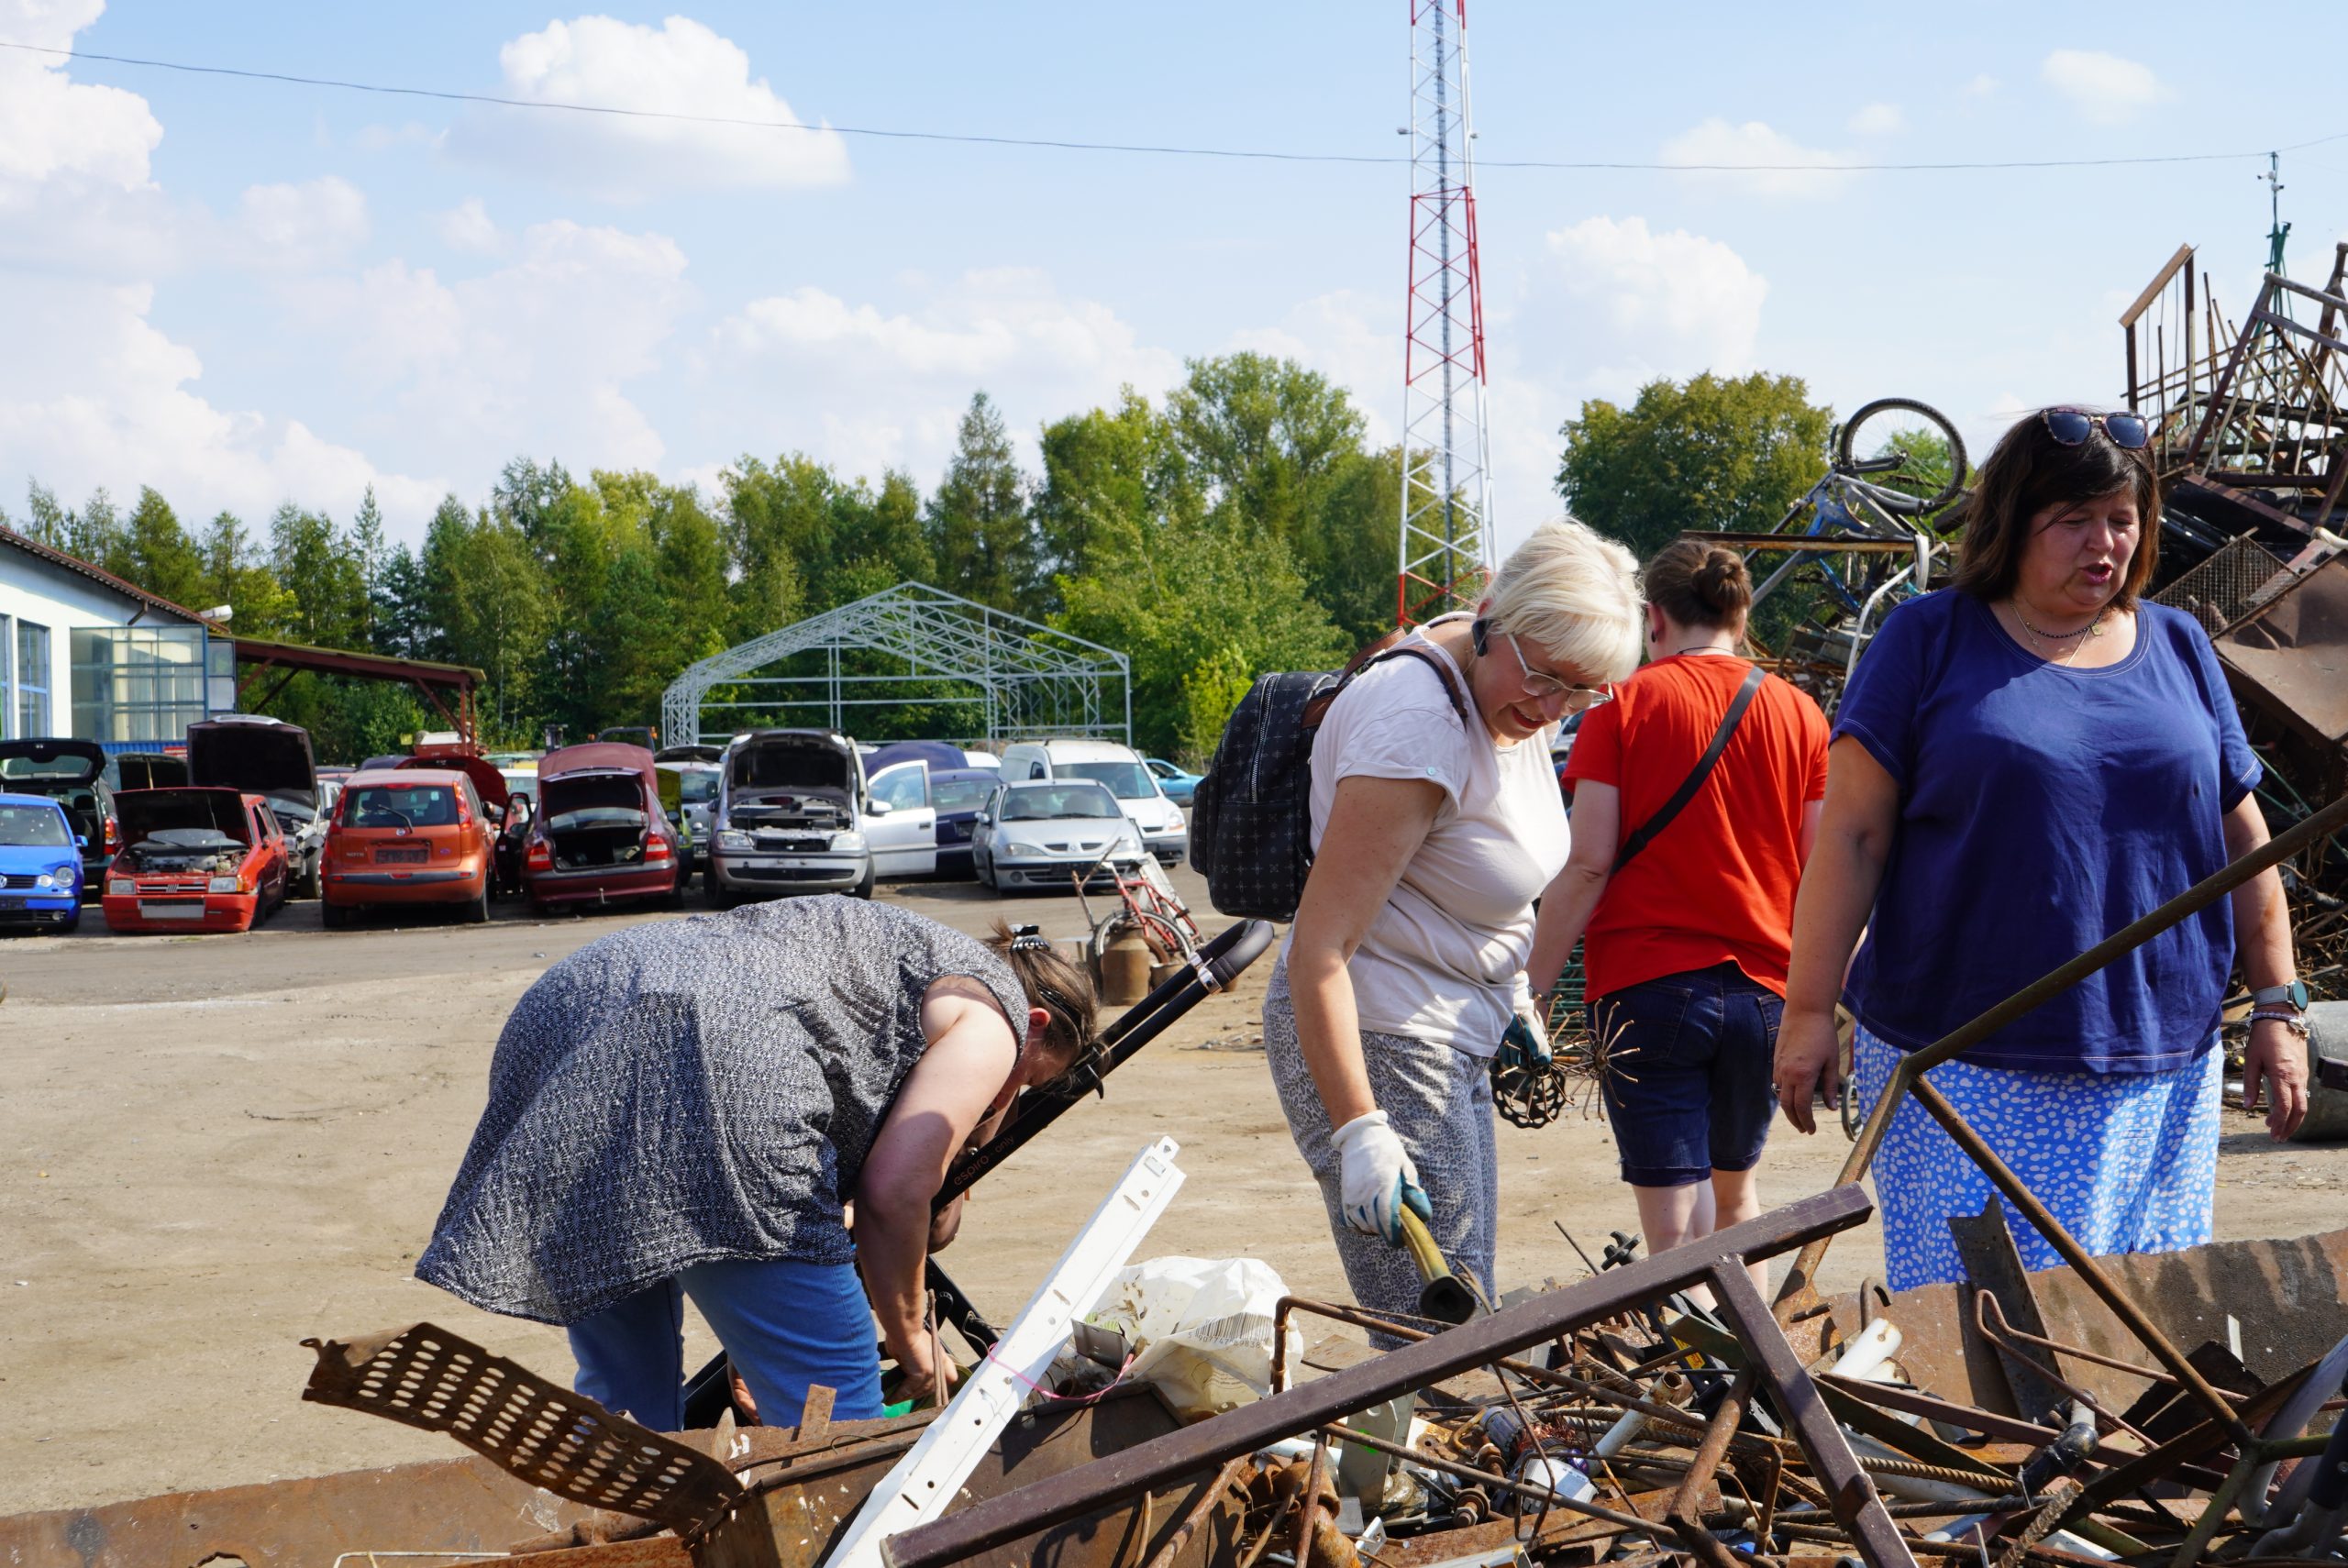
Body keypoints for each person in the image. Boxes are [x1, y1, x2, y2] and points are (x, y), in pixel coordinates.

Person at [1772, 406, 2308, 1291]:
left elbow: (2242, 840)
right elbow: (1855, 837)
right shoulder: (1929, 638)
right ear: (2012, 526)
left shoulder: (2176, 646)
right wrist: (1805, 1013)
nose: (2104, 544)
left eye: (2123, 520)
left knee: (2136, 1326)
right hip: (1961, 1062)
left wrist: (2280, 1009)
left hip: (2156, 1063)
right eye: (2073, 522)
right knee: (1986, 1327)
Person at [415, 897, 1098, 1428]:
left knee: (628, 1402)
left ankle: (625, 1535)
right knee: (836, 1408)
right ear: (1034, 1024)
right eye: (1028, 1083)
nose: (1003, 1099)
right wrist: (913, 1336)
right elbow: (893, 1196)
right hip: (717, 1053)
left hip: (575, 1006)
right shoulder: (995, 1017)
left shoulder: (902, 955)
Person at [1267, 519, 1644, 1322]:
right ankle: (1402, 1451)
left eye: (1582, 693)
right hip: (1382, 1037)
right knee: (1435, 1330)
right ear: (1492, 617)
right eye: (1546, 680)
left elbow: (1477, 865)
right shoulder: (1419, 726)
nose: (1554, 709)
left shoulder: (1501, 684)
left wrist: (1506, 992)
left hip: (1448, 1024)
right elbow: (1319, 949)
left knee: (1464, 1293)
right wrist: (1360, 1129)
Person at [1527, 540, 1828, 1280]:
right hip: (1764, 994)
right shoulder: (1800, 714)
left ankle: (1691, 1387)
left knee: (1670, 1242)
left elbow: (1589, 861)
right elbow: (1822, 873)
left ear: (1652, 618)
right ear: (1741, 610)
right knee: (1736, 1204)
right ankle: (1747, 1386)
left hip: (1646, 989)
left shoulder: (1620, 707)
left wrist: (1527, 988)